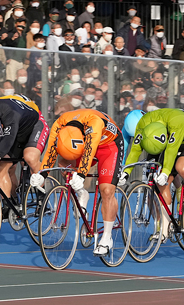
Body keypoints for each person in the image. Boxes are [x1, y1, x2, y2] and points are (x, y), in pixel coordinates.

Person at [34, 109, 124, 256]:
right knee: (64, 163)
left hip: (109, 146)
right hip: (84, 144)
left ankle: (107, 238)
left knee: (107, 190)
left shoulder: (94, 123)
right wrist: (43, 174)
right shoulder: (59, 124)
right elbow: (51, 150)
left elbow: (89, 151)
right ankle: (82, 193)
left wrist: (81, 175)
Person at [120, 108, 184, 241]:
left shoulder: (176, 121)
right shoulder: (143, 124)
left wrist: (165, 172)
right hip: (171, 142)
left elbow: (171, 150)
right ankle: (166, 226)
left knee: (182, 168)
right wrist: (126, 172)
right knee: (161, 182)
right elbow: (135, 150)